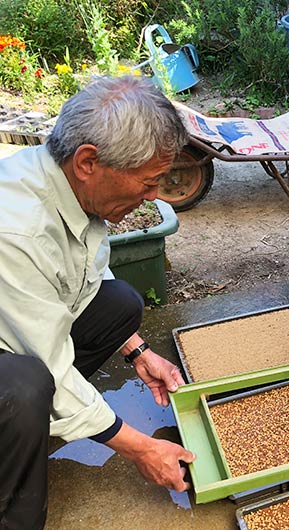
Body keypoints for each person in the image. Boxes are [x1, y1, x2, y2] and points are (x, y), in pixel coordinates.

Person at [0, 76, 195, 529]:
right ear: (89, 161)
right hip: (17, 356)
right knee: (25, 385)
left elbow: (81, 275)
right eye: (148, 182)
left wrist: (138, 351)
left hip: (14, 326)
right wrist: (142, 447)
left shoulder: (69, 187)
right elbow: (44, 358)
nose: (153, 195)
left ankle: (35, 425)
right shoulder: (15, 231)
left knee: (118, 303)